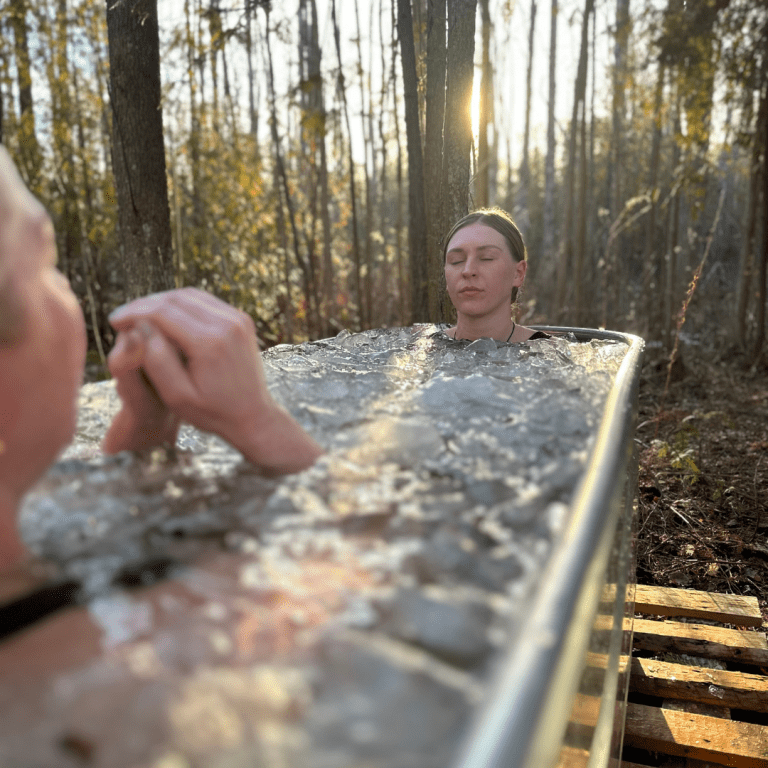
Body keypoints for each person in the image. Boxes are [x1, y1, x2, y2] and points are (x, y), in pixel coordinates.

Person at [0, 145, 321, 573]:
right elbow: (372, 569)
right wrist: (259, 422)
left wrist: (147, 424)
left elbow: (85, 511)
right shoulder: (76, 634)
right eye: (49, 262)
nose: (64, 288)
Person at [442, 207, 550, 343]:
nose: (468, 271)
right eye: (456, 260)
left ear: (518, 274)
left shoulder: (551, 355)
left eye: (487, 258)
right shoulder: (423, 352)